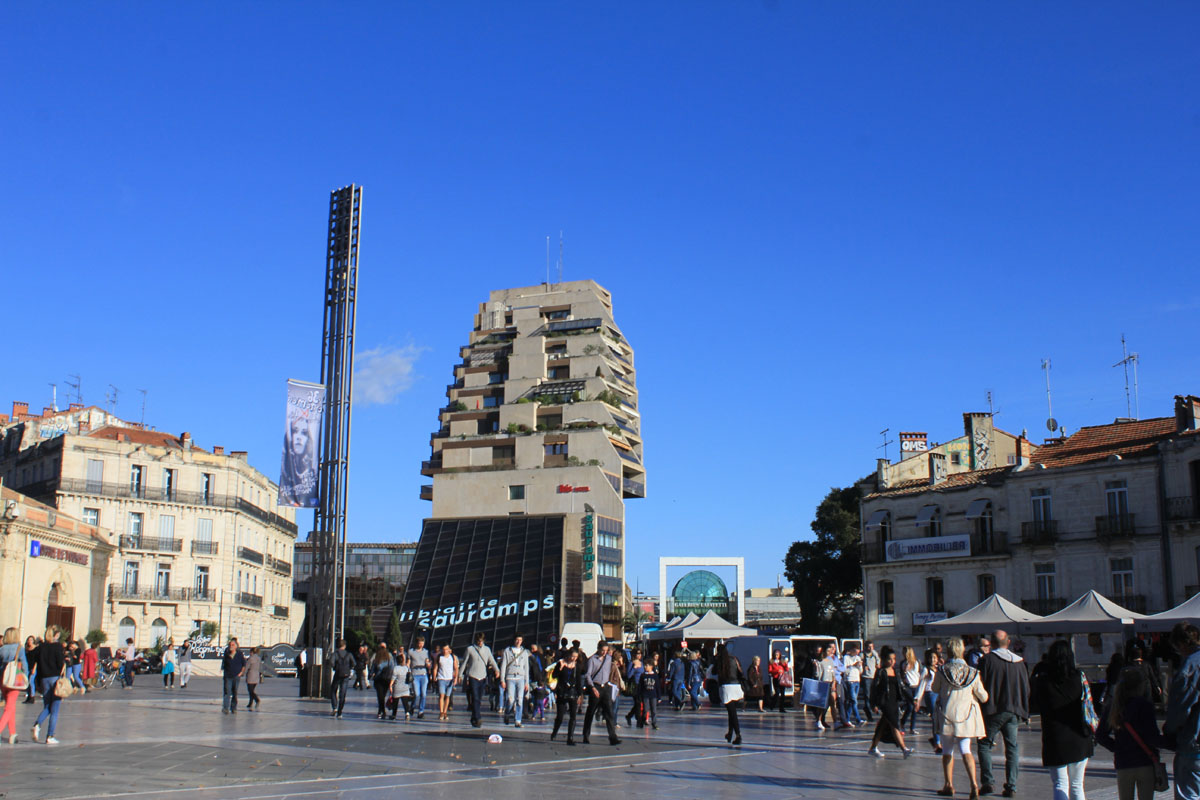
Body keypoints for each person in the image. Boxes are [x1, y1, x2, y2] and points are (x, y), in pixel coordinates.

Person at [1031, 639, 1094, 800]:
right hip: (1079, 735)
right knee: (1077, 785)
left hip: (1055, 737)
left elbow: (1035, 704)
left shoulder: (1042, 681)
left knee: (1060, 783)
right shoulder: (1079, 677)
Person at [932, 637, 989, 798]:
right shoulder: (972, 672)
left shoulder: (942, 671)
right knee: (966, 750)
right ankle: (974, 785)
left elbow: (934, 688)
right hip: (966, 717)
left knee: (947, 751)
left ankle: (948, 784)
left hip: (946, 716)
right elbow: (983, 697)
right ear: (962, 650)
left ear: (948, 651)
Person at [1097, 667, 1164, 800]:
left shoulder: (1113, 706)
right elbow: (1152, 736)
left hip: (1124, 762)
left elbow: (1100, 735)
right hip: (1145, 760)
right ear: (1140, 686)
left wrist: (1117, 747)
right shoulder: (1145, 706)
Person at [978, 629, 1031, 798]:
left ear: (991, 643)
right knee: (1012, 748)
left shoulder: (987, 660)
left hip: (993, 709)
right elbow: (1026, 688)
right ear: (1008, 643)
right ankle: (1011, 785)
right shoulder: (1019, 662)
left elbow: (981, 685)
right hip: (1013, 710)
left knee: (985, 744)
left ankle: (988, 782)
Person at [1165, 622, 1200, 800]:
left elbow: (1180, 708)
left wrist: (1169, 732)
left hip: (1193, 741)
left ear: (1182, 644)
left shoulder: (1190, 667)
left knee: (1189, 794)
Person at [868, 645, 913, 758]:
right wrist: (873, 704)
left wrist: (912, 699)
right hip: (885, 702)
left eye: (894, 659)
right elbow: (874, 688)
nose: (893, 661)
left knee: (883, 725)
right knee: (894, 725)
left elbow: (902, 687)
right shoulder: (881, 672)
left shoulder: (895, 671)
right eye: (890, 659)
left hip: (894, 701)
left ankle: (873, 747)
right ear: (884, 660)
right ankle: (904, 749)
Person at [31, 627, 67, 745]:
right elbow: (60, 662)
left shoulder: (40, 647)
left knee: (47, 706)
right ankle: (50, 735)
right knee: (55, 709)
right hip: (55, 677)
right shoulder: (57, 647)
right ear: (55, 635)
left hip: (44, 678)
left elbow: (37, 664)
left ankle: (37, 724)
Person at [582, 642, 621, 745]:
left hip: (606, 687)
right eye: (602, 650)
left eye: (606, 650)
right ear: (598, 649)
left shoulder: (608, 658)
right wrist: (593, 688)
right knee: (591, 712)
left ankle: (613, 737)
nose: (604, 653)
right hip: (596, 686)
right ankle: (586, 735)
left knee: (609, 713)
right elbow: (588, 675)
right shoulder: (592, 660)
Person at [279, 412, 318, 507]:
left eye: (304, 433)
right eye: (295, 431)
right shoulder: (285, 475)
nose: (299, 438)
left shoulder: (311, 474)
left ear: (308, 439)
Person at [461, 634, 500, 728]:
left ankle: (474, 716)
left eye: (481, 640)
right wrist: (460, 675)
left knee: (479, 697)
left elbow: (492, 660)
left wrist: (497, 670)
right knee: (475, 697)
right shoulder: (470, 649)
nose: (480, 642)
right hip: (472, 675)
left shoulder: (487, 650)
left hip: (482, 676)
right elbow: (464, 662)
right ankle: (478, 717)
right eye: (478, 640)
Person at [550, 648, 584, 745]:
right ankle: (555, 731)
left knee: (573, 716)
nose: (573, 658)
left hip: (573, 692)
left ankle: (570, 737)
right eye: (572, 656)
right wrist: (560, 668)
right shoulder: (561, 663)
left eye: (576, 657)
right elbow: (554, 675)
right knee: (560, 716)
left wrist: (580, 694)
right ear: (568, 655)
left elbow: (578, 681)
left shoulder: (577, 666)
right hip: (562, 691)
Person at [500, 634, 532, 727]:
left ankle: (518, 720)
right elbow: (503, 666)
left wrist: (527, 682)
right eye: (517, 639)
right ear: (514, 640)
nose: (518, 641)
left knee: (520, 699)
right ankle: (507, 712)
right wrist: (502, 680)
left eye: (520, 640)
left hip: (521, 678)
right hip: (510, 677)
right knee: (510, 699)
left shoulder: (525, 652)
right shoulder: (507, 651)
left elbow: (526, 668)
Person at [716, 643, 744, 745]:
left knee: (732, 713)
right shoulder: (734, 659)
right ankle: (730, 733)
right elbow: (740, 672)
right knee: (732, 712)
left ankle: (738, 734)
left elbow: (715, 671)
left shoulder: (720, 661)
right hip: (736, 686)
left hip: (726, 687)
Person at [0, 627, 25, 744]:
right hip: (15, 680)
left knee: (11, 708)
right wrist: (26, 676)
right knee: (9, 708)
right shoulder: (19, 648)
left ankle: (12, 734)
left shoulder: (2, 649)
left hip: (3, 680)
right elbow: (24, 664)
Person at [1123, 640, 1163, 704]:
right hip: (1146, 686)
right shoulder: (1146, 664)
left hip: (1135, 688)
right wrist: (1157, 686)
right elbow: (1152, 676)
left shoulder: (1129, 665)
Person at [921, 648, 941, 751]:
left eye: (934, 657)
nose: (932, 660)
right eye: (931, 657)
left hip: (939, 693)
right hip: (930, 693)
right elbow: (921, 684)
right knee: (935, 718)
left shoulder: (939, 669)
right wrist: (918, 698)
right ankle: (937, 743)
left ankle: (937, 740)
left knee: (940, 718)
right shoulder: (926, 669)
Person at [330, 638, 355, 718]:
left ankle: (334, 707)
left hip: (338, 674)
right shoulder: (349, 654)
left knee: (333, 690)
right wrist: (349, 668)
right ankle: (340, 712)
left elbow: (331, 662)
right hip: (346, 675)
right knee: (343, 693)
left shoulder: (335, 653)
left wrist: (335, 667)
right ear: (344, 646)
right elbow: (354, 663)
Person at [221, 638, 246, 714]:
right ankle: (225, 708)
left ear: (236, 646)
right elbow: (224, 663)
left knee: (234, 692)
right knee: (227, 692)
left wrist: (241, 673)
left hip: (236, 676)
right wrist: (223, 670)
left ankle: (234, 708)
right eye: (230, 645)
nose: (231, 646)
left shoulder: (239, 654)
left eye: (232, 645)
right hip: (228, 676)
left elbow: (244, 664)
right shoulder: (227, 653)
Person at [369, 643, 395, 720]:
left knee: (380, 696)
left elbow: (372, 669)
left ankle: (381, 711)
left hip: (379, 679)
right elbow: (392, 667)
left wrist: (370, 675)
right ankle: (381, 711)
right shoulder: (389, 658)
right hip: (386, 679)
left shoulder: (376, 658)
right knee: (382, 696)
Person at [900, 646, 922, 733]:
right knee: (911, 705)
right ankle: (902, 722)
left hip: (916, 685)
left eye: (906, 652)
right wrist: (905, 670)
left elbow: (919, 673)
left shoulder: (917, 662)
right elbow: (902, 676)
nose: (904, 654)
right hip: (908, 686)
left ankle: (912, 727)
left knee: (914, 708)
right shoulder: (903, 663)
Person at [409, 636, 431, 719]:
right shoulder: (411, 652)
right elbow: (408, 662)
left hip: (423, 674)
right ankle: (413, 706)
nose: (421, 645)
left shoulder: (426, 652)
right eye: (419, 643)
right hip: (415, 674)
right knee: (416, 694)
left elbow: (428, 662)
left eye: (422, 643)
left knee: (423, 694)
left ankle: (421, 711)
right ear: (416, 643)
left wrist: (428, 665)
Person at [435, 643, 458, 720]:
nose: (445, 651)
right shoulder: (439, 657)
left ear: (449, 650)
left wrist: (456, 677)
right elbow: (435, 667)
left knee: (447, 696)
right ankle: (441, 712)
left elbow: (456, 668)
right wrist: (434, 677)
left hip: (449, 679)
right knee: (442, 696)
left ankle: (445, 712)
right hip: (441, 678)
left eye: (446, 649)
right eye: (443, 649)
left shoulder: (452, 657)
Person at [843, 644, 865, 727]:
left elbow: (861, 671)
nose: (857, 652)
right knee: (854, 700)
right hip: (850, 680)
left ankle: (847, 719)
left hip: (857, 680)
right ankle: (858, 719)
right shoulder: (846, 657)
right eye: (855, 650)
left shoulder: (858, 658)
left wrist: (860, 666)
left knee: (852, 701)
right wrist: (853, 665)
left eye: (858, 650)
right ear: (851, 650)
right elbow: (844, 670)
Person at [391, 651, 414, 720]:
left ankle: (394, 714)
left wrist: (390, 685)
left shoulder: (395, 668)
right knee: (405, 702)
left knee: (395, 702)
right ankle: (407, 713)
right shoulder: (406, 668)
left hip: (397, 687)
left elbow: (393, 678)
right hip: (405, 688)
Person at [639, 655, 660, 729]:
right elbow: (640, 686)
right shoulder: (643, 675)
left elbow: (657, 686)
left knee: (654, 710)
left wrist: (659, 697)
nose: (645, 667)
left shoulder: (655, 675)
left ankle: (654, 723)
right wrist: (640, 695)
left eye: (647, 665)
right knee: (645, 709)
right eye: (645, 665)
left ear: (651, 666)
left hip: (653, 695)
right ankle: (642, 721)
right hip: (645, 695)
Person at [862, 641, 879, 723]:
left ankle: (872, 707)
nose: (870, 648)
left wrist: (878, 665)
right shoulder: (863, 654)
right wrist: (863, 666)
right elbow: (859, 662)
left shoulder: (874, 653)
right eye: (869, 647)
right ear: (866, 647)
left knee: (874, 695)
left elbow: (878, 662)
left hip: (874, 676)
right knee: (867, 695)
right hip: (866, 677)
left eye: (872, 646)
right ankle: (868, 713)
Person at [244, 646, 262, 710]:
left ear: (251, 652)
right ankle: (250, 703)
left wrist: (243, 673)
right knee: (252, 690)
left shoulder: (250, 659)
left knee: (250, 690)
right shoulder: (258, 658)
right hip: (256, 675)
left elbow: (247, 667)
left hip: (251, 675)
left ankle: (257, 699)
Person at [23, 636, 38, 703]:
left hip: (33, 667)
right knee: (27, 682)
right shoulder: (26, 649)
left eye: (31, 640)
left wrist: (34, 668)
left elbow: (37, 660)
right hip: (27, 667)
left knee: (31, 681)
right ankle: (28, 696)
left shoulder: (36, 649)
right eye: (28, 640)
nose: (29, 641)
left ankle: (32, 696)